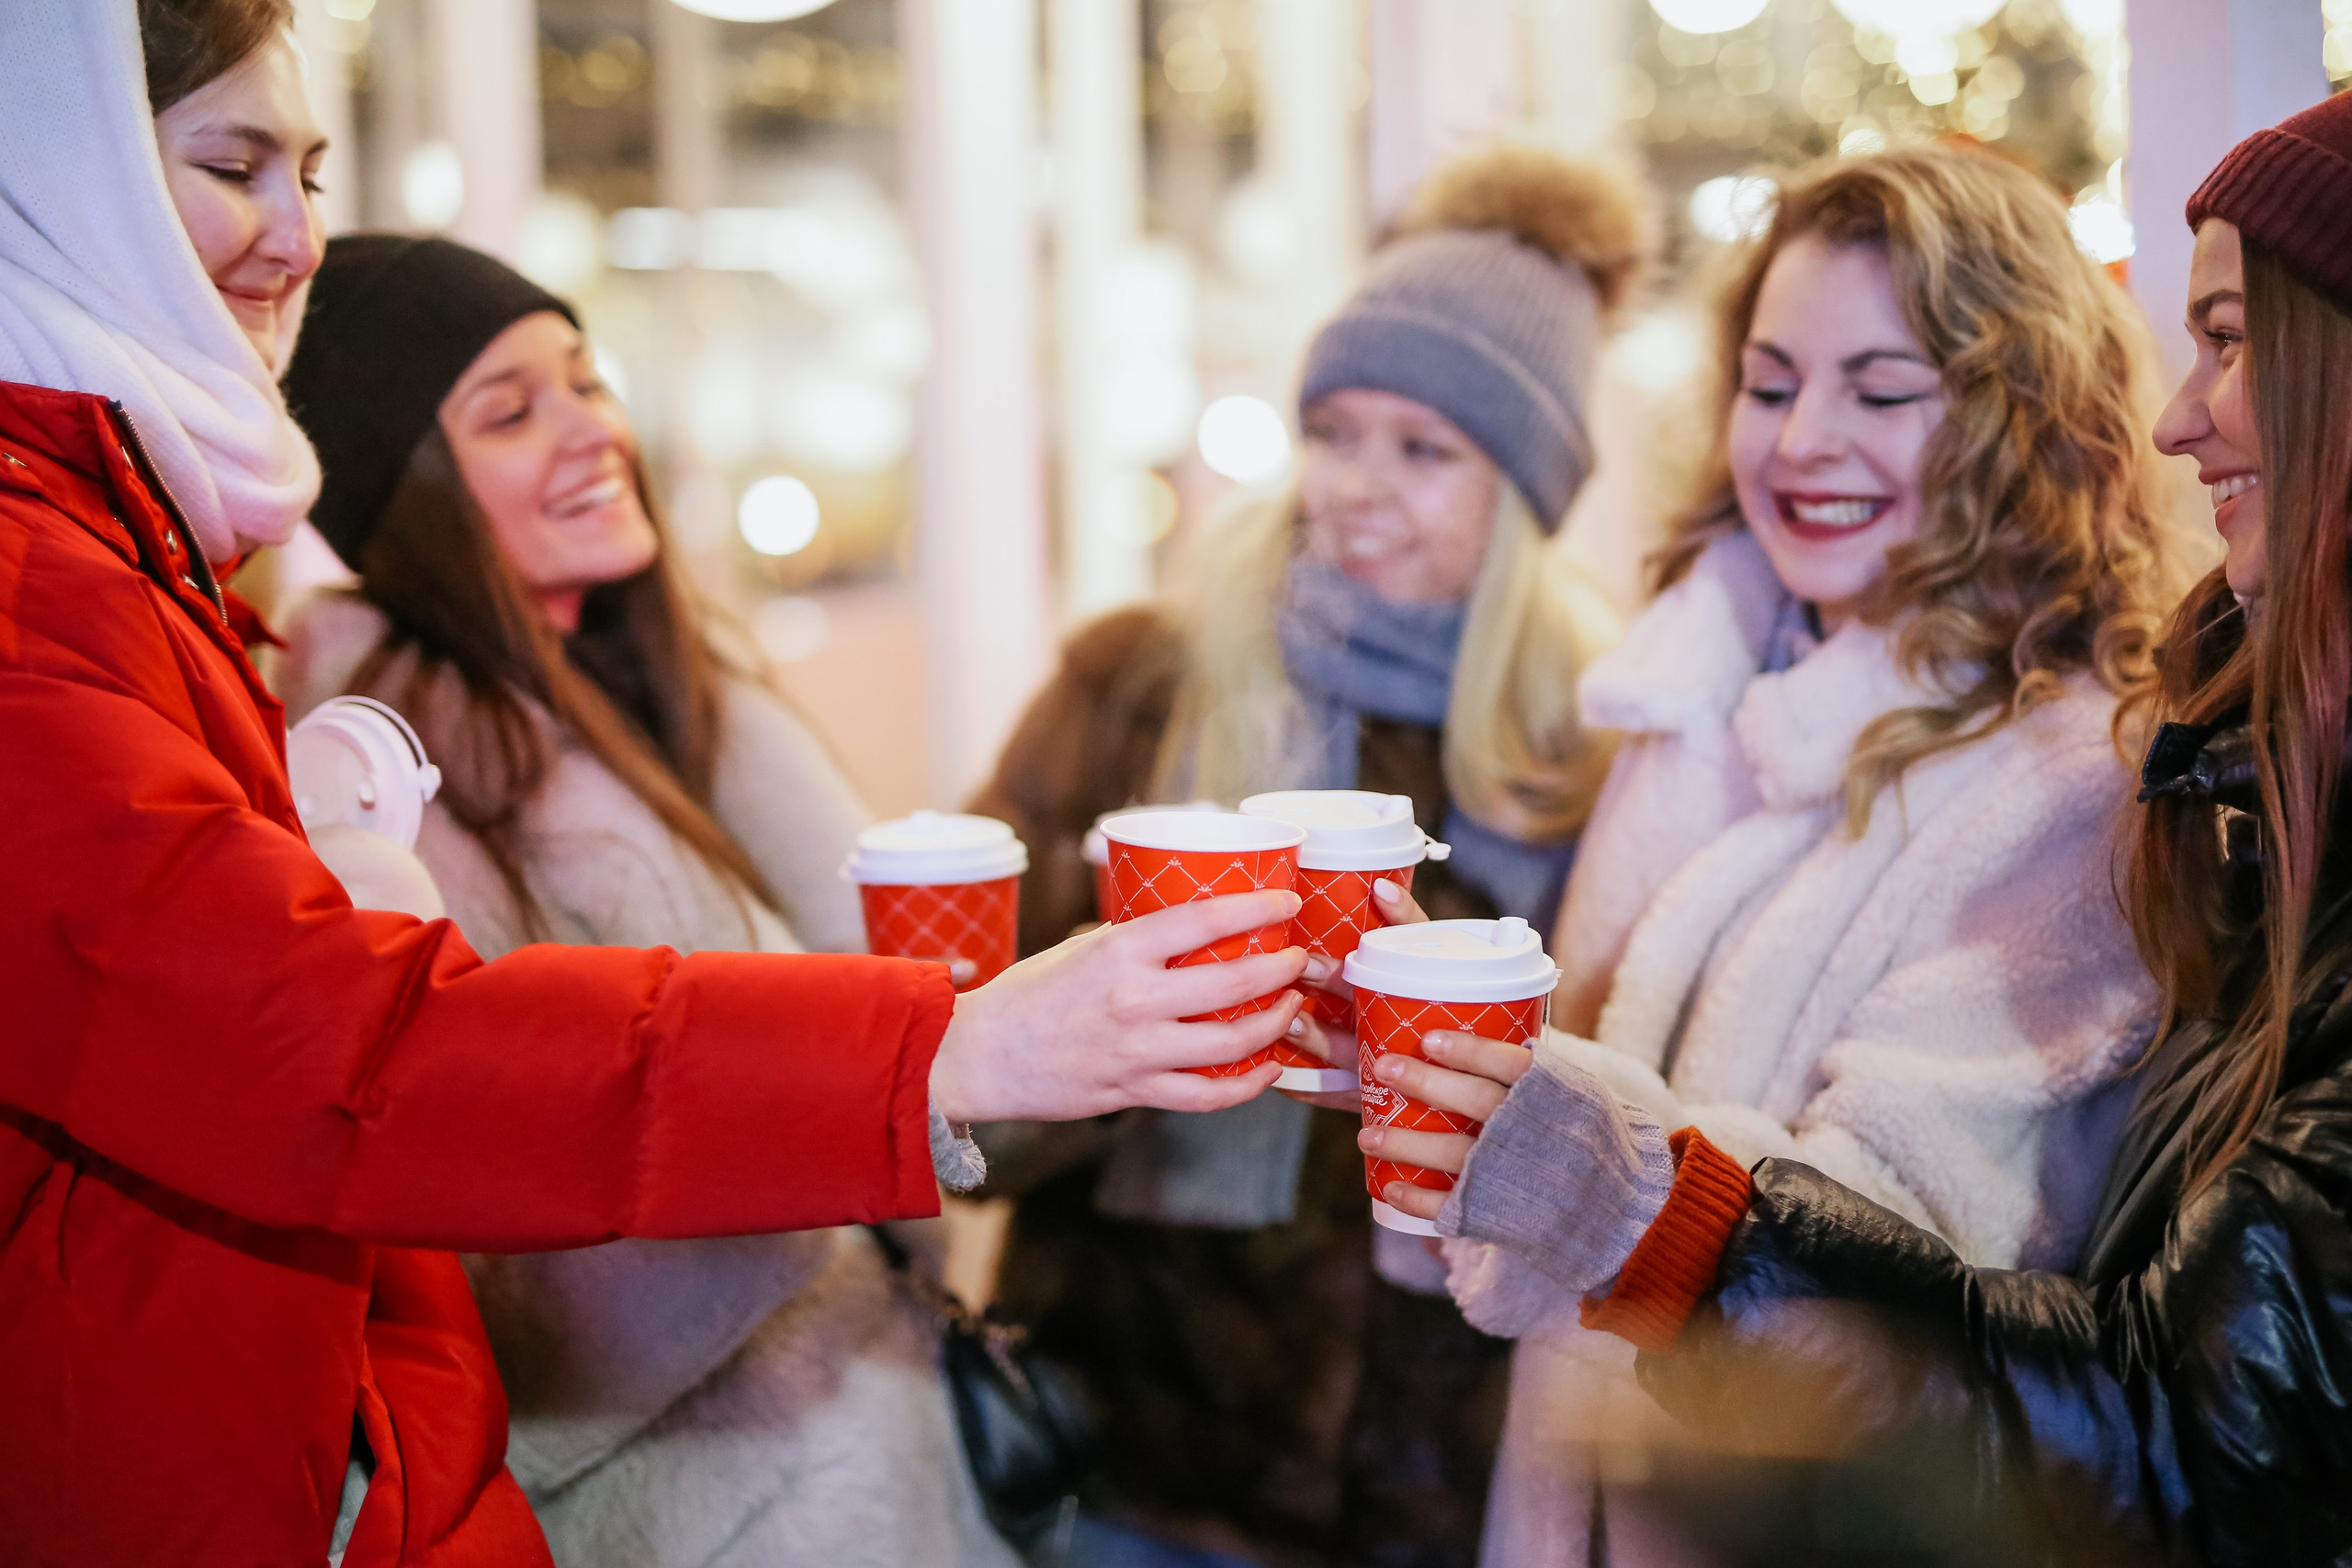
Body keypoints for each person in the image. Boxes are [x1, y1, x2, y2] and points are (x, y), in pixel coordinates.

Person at [0, 5, 1307, 1562]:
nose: (293, 235)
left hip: (801, 1448)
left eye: (587, 379)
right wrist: (945, 1059)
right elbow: (376, 1070)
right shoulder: (317, 701)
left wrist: (998, 1052)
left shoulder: (664, 679)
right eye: (230, 167)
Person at [1365, 95, 2352, 1568]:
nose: (1804, 440)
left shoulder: (2081, 780)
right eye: (1769, 384)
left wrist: (1569, 1165)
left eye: (1884, 390)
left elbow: (1937, 1259)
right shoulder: (1692, 704)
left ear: (2023, 416)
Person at [272, 234, 1013, 1567]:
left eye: (587, 380)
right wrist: (851, 1137)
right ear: (411, 489)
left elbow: (879, 984)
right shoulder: (394, 767)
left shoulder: (660, 666)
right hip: (694, 1500)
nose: (588, 430)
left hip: (870, 1435)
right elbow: (479, 1182)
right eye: (510, 411)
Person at [969, 144, 1638, 1566]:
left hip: (1435, 1487)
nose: (1357, 489)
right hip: (1137, 1457)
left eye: (1424, 448)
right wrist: (1129, 1017)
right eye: (1333, 431)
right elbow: (967, 1089)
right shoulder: (1139, 685)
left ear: (1527, 494)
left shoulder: (1589, 748)